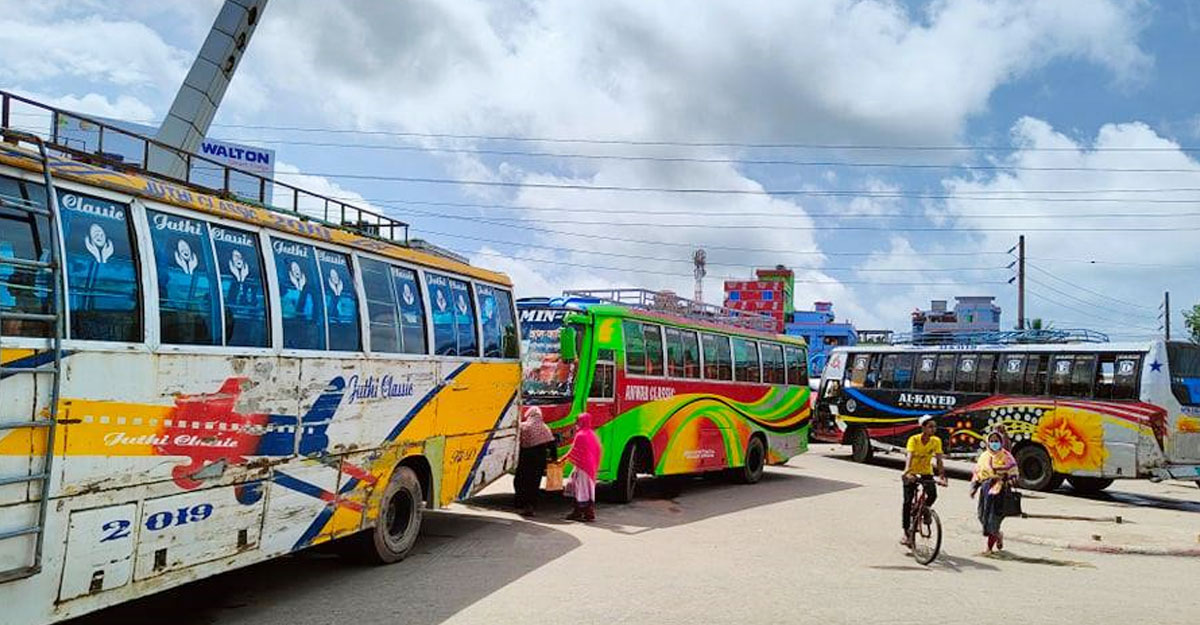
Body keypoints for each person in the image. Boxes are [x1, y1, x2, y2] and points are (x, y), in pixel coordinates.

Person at [901, 415, 947, 546]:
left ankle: (924, 511)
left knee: (933, 494)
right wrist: (907, 472)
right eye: (930, 427)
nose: (933, 429)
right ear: (923, 428)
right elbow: (909, 456)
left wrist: (942, 476)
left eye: (934, 427)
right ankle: (906, 533)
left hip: (926, 472)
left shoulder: (936, 441)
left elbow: (939, 459)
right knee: (907, 502)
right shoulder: (913, 440)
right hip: (912, 472)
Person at [970, 430, 1019, 552]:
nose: (994, 443)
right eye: (991, 441)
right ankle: (998, 535)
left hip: (1000, 491)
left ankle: (989, 548)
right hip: (986, 490)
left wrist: (1009, 480)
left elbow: (1014, 473)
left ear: (1001, 442)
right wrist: (974, 488)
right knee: (982, 516)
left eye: (996, 441)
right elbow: (977, 473)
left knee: (994, 519)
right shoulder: (983, 456)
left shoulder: (1007, 457)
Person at [514, 407, 557, 516]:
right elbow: (552, 445)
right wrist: (554, 459)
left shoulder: (524, 426)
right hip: (539, 460)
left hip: (525, 458)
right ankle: (531, 505)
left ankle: (520, 502)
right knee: (534, 482)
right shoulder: (544, 427)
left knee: (520, 480)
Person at [564, 412, 602, 522]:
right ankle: (587, 513)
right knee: (587, 489)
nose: (576, 424)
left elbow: (574, 451)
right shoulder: (592, 434)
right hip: (590, 467)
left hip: (583, 467)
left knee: (580, 489)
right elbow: (598, 451)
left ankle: (579, 512)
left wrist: (562, 459)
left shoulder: (580, 435)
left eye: (577, 422)